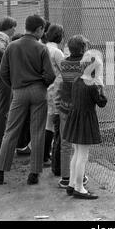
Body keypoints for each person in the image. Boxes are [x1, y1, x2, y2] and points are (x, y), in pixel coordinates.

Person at [0, 14, 55, 185]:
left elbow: (2, 73)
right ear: (38, 29)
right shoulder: (41, 48)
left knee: (11, 131)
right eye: (42, 30)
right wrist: (42, 84)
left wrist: (14, 85)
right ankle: (34, 174)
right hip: (38, 92)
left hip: (19, 92)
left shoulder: (12, 46)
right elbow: (50, 75)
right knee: (37, 132)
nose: (42, 33)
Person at [63, 52, 107, 199]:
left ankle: (71, 184)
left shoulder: (77, 80)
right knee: (83, 155)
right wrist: (100, 85)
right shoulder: (93, 86)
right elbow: (102, 102)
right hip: (86, 120)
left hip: (75, 118)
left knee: (76, 153)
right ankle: (79, 187)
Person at [53, 35, 89, 188]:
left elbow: (61, 85)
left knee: (66, 142)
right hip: (81, 108)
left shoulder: (65, 64)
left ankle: (66, 177)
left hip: (65, 106)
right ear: (83, 48)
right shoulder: (87, 64)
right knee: (80, 146)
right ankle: (79, 177)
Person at [0, 17, 17, 149]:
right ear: (9, 27)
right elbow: (0, 51)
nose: (15, 30)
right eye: (14, 27)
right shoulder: (2, 37)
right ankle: (1, 138)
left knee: (0, 106)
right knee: (3, 107)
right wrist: (10, 60)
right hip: (2, 77)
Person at [43, 24, 65, 167]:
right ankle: (46, 156)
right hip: (54, 90)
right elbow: (65, 71)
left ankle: (43, 154)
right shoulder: (57, 52)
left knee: (46, 122)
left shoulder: (42, 48)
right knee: (52, 123)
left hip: (43, 88)